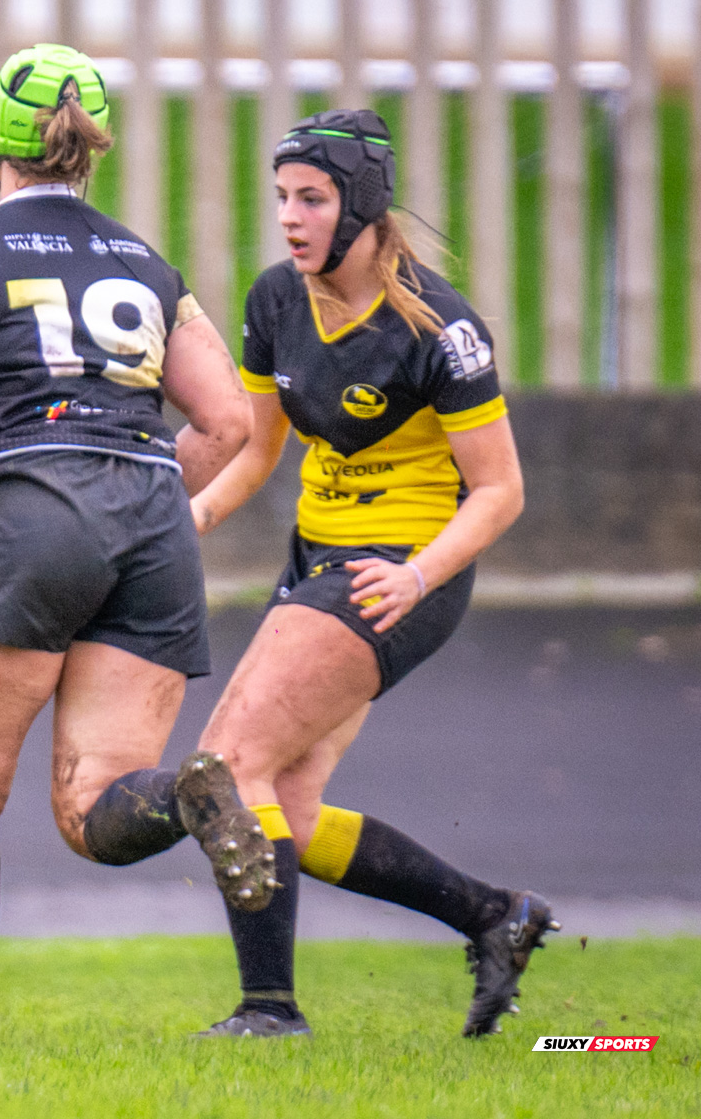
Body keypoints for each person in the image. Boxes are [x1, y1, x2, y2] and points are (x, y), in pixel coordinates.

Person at [0, 44, 262, 1052]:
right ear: (89, 150)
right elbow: (231, 424)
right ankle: (191, 797)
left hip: (31, 507)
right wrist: (150, 501)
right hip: (153, 515)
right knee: (95, 806)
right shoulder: (146, 263)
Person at [185, 109, 558, 1039]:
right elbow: (256, 451)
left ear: (361, 205)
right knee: (290, 813)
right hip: (315, 561)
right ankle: (494, 917)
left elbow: (501, 492)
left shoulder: (440, 329)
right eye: (281, 198)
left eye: (310, 198)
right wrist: (183, 521)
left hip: (395, 573)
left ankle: (268, 1011)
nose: (290, 217)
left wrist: (420, 577)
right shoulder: (277, 301)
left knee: (229, 768)